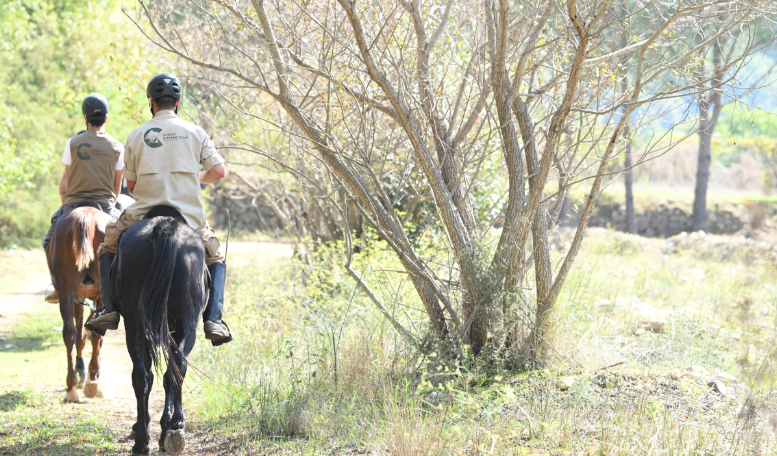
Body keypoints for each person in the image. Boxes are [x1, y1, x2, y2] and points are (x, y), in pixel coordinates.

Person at [85, 73, 232, 346]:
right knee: (215, 256)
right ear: (177, 103)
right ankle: (213, 319)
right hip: (188, 216)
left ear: (151, 102)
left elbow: (131, 183)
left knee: (107, 247)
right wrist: (195, 178)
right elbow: (219, 171)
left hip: (142, 214)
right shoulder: (195, 132)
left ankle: (109, 311)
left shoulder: (137, 134)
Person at [43, 95, 124, 303]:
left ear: (85, 118)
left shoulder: (73, 143)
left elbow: (68, 181)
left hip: (72, 204)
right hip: (106, 205)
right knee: (127, 240)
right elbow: (117, 187)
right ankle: (121, 285)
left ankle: (56, 285)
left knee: (47, 241)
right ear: (106, 118)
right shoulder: (117, 147)